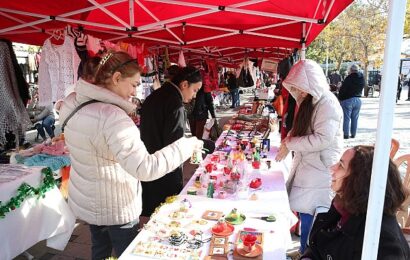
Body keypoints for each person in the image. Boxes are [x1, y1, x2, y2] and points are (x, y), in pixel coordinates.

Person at [58, 52, 202, 259]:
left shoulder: (73, 103)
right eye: (134, 85)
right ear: (116, 78)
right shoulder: (113, 117)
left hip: (88, 199)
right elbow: (145, 168)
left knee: (99, 249)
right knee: (129, 253)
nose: (134, 92)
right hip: (116, 204)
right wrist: (186, 147)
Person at [275, 59, 343, 255]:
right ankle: (305, 250)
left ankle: (308, 252)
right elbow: (300, 129)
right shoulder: (309, 102)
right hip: (310, 167)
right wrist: (289, 139)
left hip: (321, 169)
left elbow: (323, 138)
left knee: (315, 217)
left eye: (300, 87)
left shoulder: (327, 103)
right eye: (295, 88)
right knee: (307, 213)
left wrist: (290, 143)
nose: (299, 92)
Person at [301, 145, 410, 260]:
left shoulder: (380, 239)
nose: (333, 167)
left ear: (359, 181)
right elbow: (318, 245)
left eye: (341, 165)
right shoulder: (344, 205)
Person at [139, 66, 202, 221]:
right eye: (194, 90)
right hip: (165, 167)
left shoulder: (156, 95)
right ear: (184, 84)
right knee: (165, 212)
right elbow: (175, 145)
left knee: (149, 207)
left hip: (148, 159)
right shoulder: (175, 104)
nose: (194, 96)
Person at [338, 64, 365, 139]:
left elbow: (343, 89)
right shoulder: (362, 78)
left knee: (346, 118)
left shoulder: (349, 78)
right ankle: (353, 134)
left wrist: (340, 98)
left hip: (348, 100)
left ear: (350, 70)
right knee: (355, 118)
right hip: (358, 99)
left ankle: (346, 134)